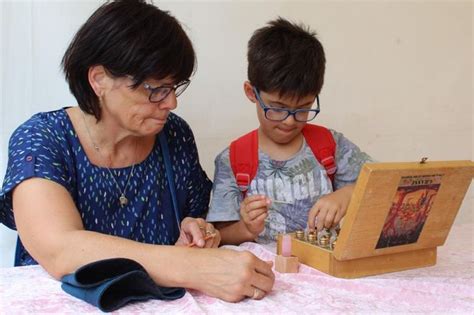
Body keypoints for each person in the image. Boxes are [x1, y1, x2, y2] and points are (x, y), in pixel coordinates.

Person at [0, 0, 274, 302]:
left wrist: (196, 231)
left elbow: (203, 222)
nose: (171, 103)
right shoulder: (43, 139)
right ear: (99, 79)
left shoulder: (174, 136)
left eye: (174, 87)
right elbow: (60, 249)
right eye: (155, 89)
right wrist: (193, 266)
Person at [206, 18, 373, 245]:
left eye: (303, 108)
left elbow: (382, 185)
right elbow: (219, 237)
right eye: (277, 108)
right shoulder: (233, 159)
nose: (290, 121)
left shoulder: (330, 145)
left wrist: (347, 194)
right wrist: (246, 228)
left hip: (324, 274)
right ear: (251, 92)